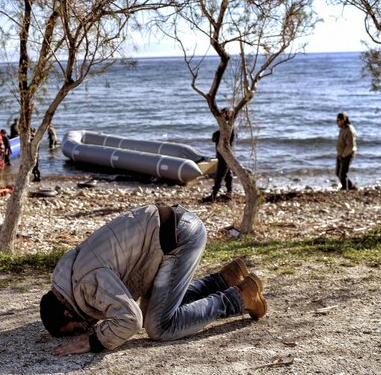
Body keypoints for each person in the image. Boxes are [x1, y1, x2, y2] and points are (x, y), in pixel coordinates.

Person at [40, 204, 267, 355]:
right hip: (172, 229)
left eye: (72, 329)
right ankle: (223, 280)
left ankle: (239, 298)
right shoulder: (69, 274)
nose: (80, 330)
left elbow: (130, 320)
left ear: (67, 312)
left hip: (179, 238)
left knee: (159, 327)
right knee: (155, 312)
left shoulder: (86, 285)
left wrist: (92, 342)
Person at [203, 108, 234, 203]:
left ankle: (213, 196)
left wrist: (215, 136)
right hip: (227, 154)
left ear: (226, 115)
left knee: (220, 175)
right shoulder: (230, 127)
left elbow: (217, 138)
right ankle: (229, 193)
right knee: (228, 174)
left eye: (222, 114)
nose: (220, 117)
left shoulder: (227, 128)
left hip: (224, 155)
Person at [336, 112, 357, 190]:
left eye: (338, 121)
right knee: (338, 173)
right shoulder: (342, 129)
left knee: (343, 174)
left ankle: (345, 188)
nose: (337, 123)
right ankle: (351, 187)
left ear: (343, 120)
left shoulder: (349, 130)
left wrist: (343, 155)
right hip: (340, 154)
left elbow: (350, 146)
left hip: (347, 154)